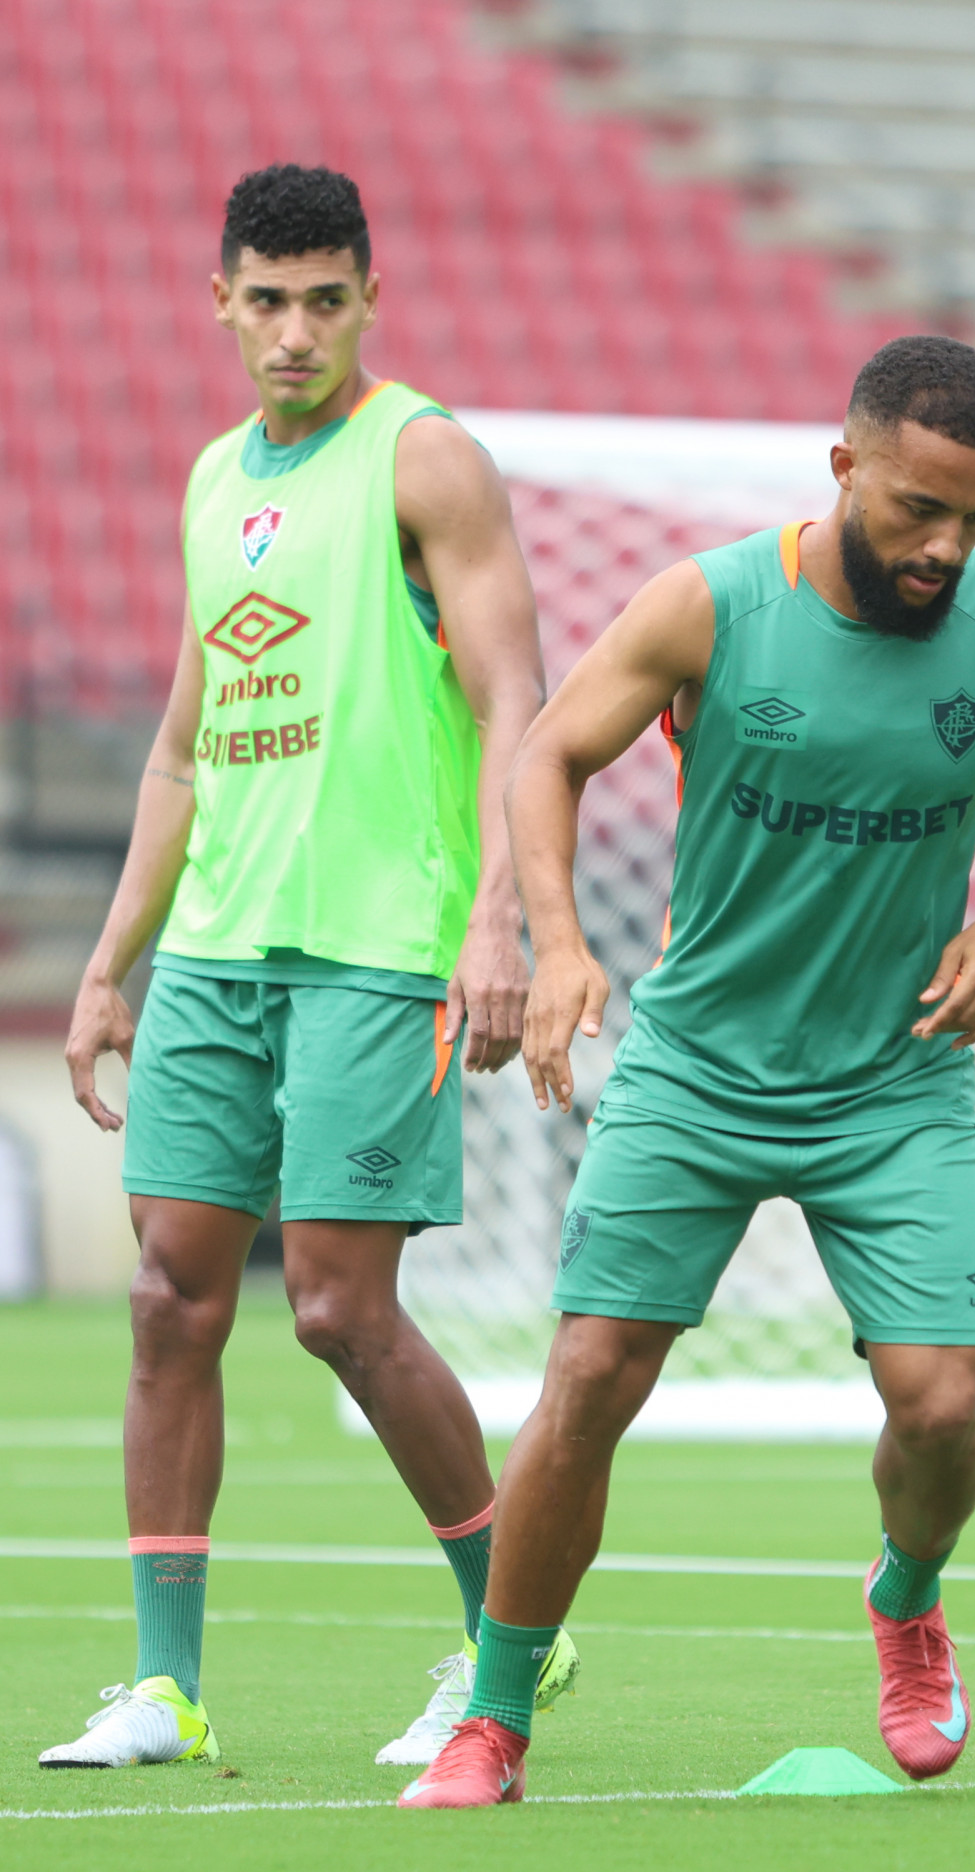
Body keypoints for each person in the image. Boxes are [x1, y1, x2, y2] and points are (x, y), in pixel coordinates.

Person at [401, 335, 975, 1808]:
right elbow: (547, 759)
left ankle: (906, 1598)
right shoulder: (712, 605)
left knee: (946, 1408)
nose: (946, 547)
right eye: (915, 509)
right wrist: (562, 943)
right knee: (588, 1379)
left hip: (894, 1081)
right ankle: (493, 1721)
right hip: (699, 1068)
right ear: (844, 470)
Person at [41, 164, 577, 1771]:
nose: (294, 332)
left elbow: (516, 705)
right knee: (164, 1303)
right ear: (222, 301)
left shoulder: (426, 459)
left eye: (324, 301)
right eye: (266, 301)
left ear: (368, 301)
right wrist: (109, 963)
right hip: (215, 951)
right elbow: (183, 755)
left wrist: (504, 918)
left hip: (374, 948)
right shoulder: (214, 482)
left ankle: (509, 1645)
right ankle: (167, 1689)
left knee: (340, 1312)